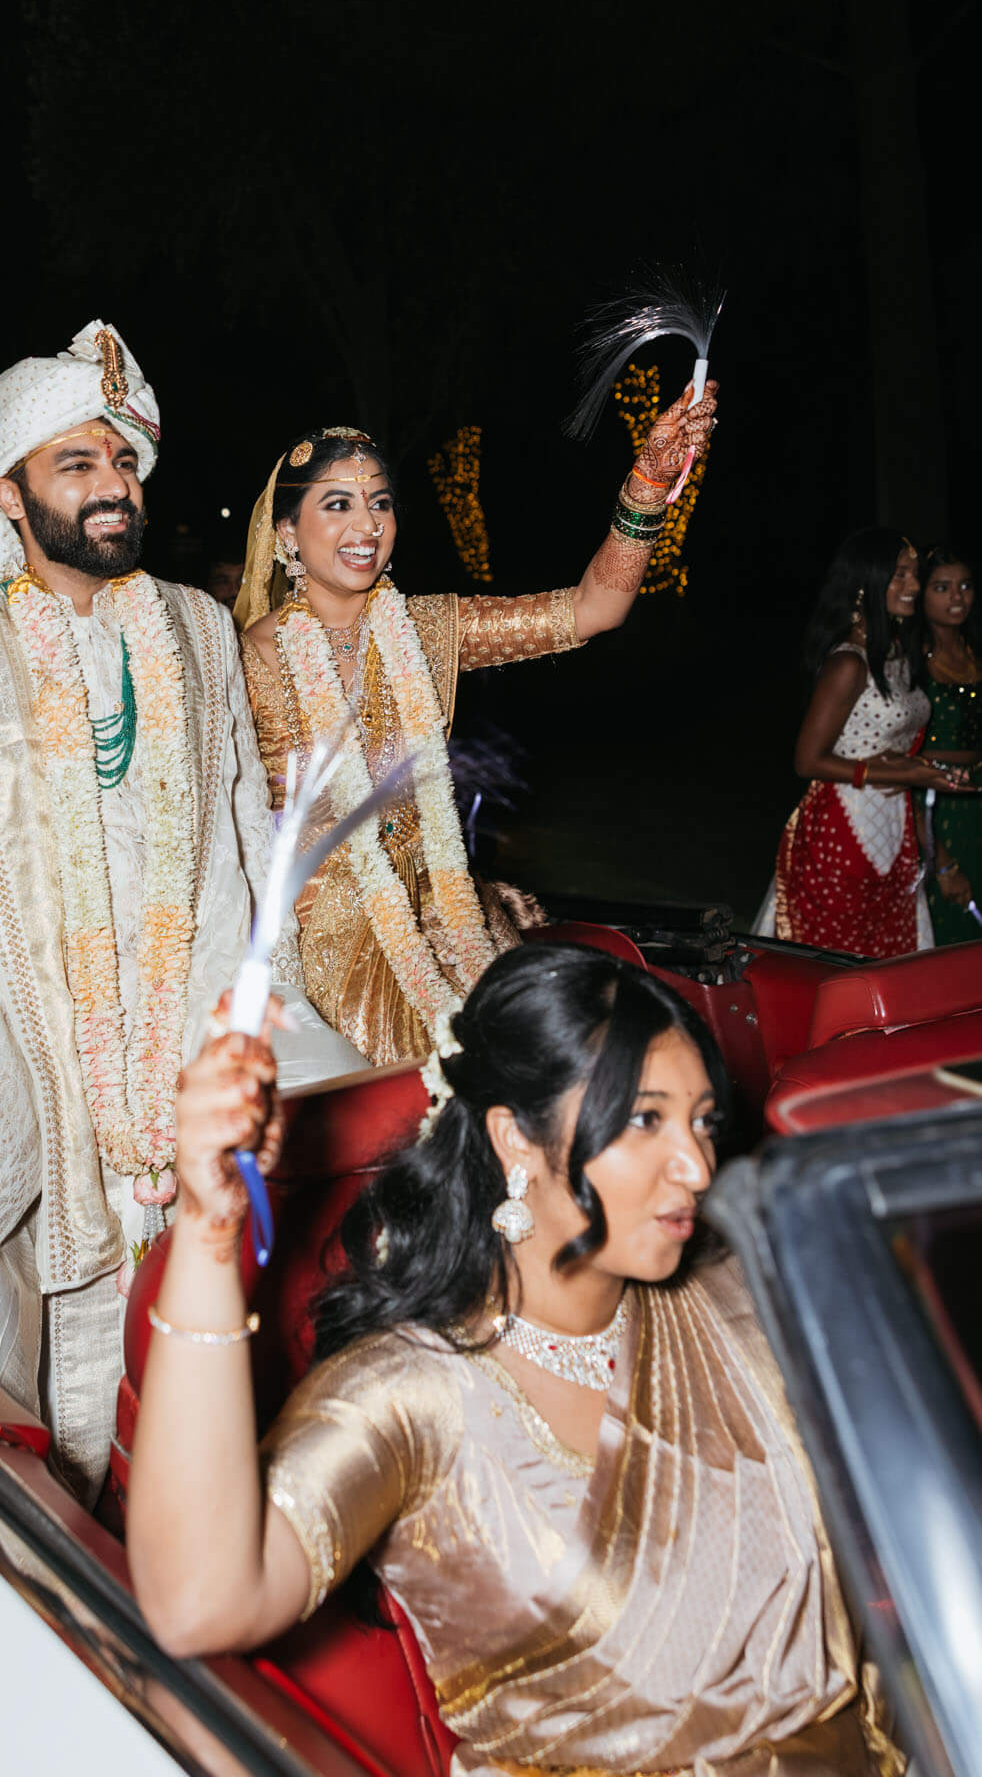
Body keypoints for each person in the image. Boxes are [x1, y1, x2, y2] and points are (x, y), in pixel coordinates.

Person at [0, 320, 363, 1501]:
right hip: (3, 977)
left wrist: (278, 987)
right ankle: (0, 1459)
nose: (114, 484)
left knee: (358, 1111)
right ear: (9, 493)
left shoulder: (197, 625)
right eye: (77, 464)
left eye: (123, 460)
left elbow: (241, 821)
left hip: (185, 963)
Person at [127, 943, 904, 1776]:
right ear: (515, 1141)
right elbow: (199, 1604)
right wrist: (211, 1229)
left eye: (704, 1121)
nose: (696, 1165)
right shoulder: (413, 1394)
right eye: (645, 1120)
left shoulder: (745, 1291)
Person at [233, 386, 717, 1063]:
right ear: (287, 531)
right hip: (320, 939)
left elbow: (591, 609)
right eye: (338, 504)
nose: (366, 526)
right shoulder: (242, 661)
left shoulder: (428, 628)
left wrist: (648, 487)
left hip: (447, 908)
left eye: (379, 503)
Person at [754, 528, 969, 956]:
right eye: (899, 575)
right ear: (863, 584)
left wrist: (917, 769)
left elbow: (888, 744)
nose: (914, 586)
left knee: (885, 959)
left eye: (914, 574)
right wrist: (898, 772)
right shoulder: (849, 663)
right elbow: (807, 761)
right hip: (842, 825)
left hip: (894, 825)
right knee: (831, 960)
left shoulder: (895, 652)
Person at [916, 544, 982, 943]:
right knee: (948, 928)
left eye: (965, 586)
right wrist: (940, 861)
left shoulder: (975, 651)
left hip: (976, 802)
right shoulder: (910, 661)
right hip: (934, 806)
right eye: (942, 587)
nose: (957, 597)